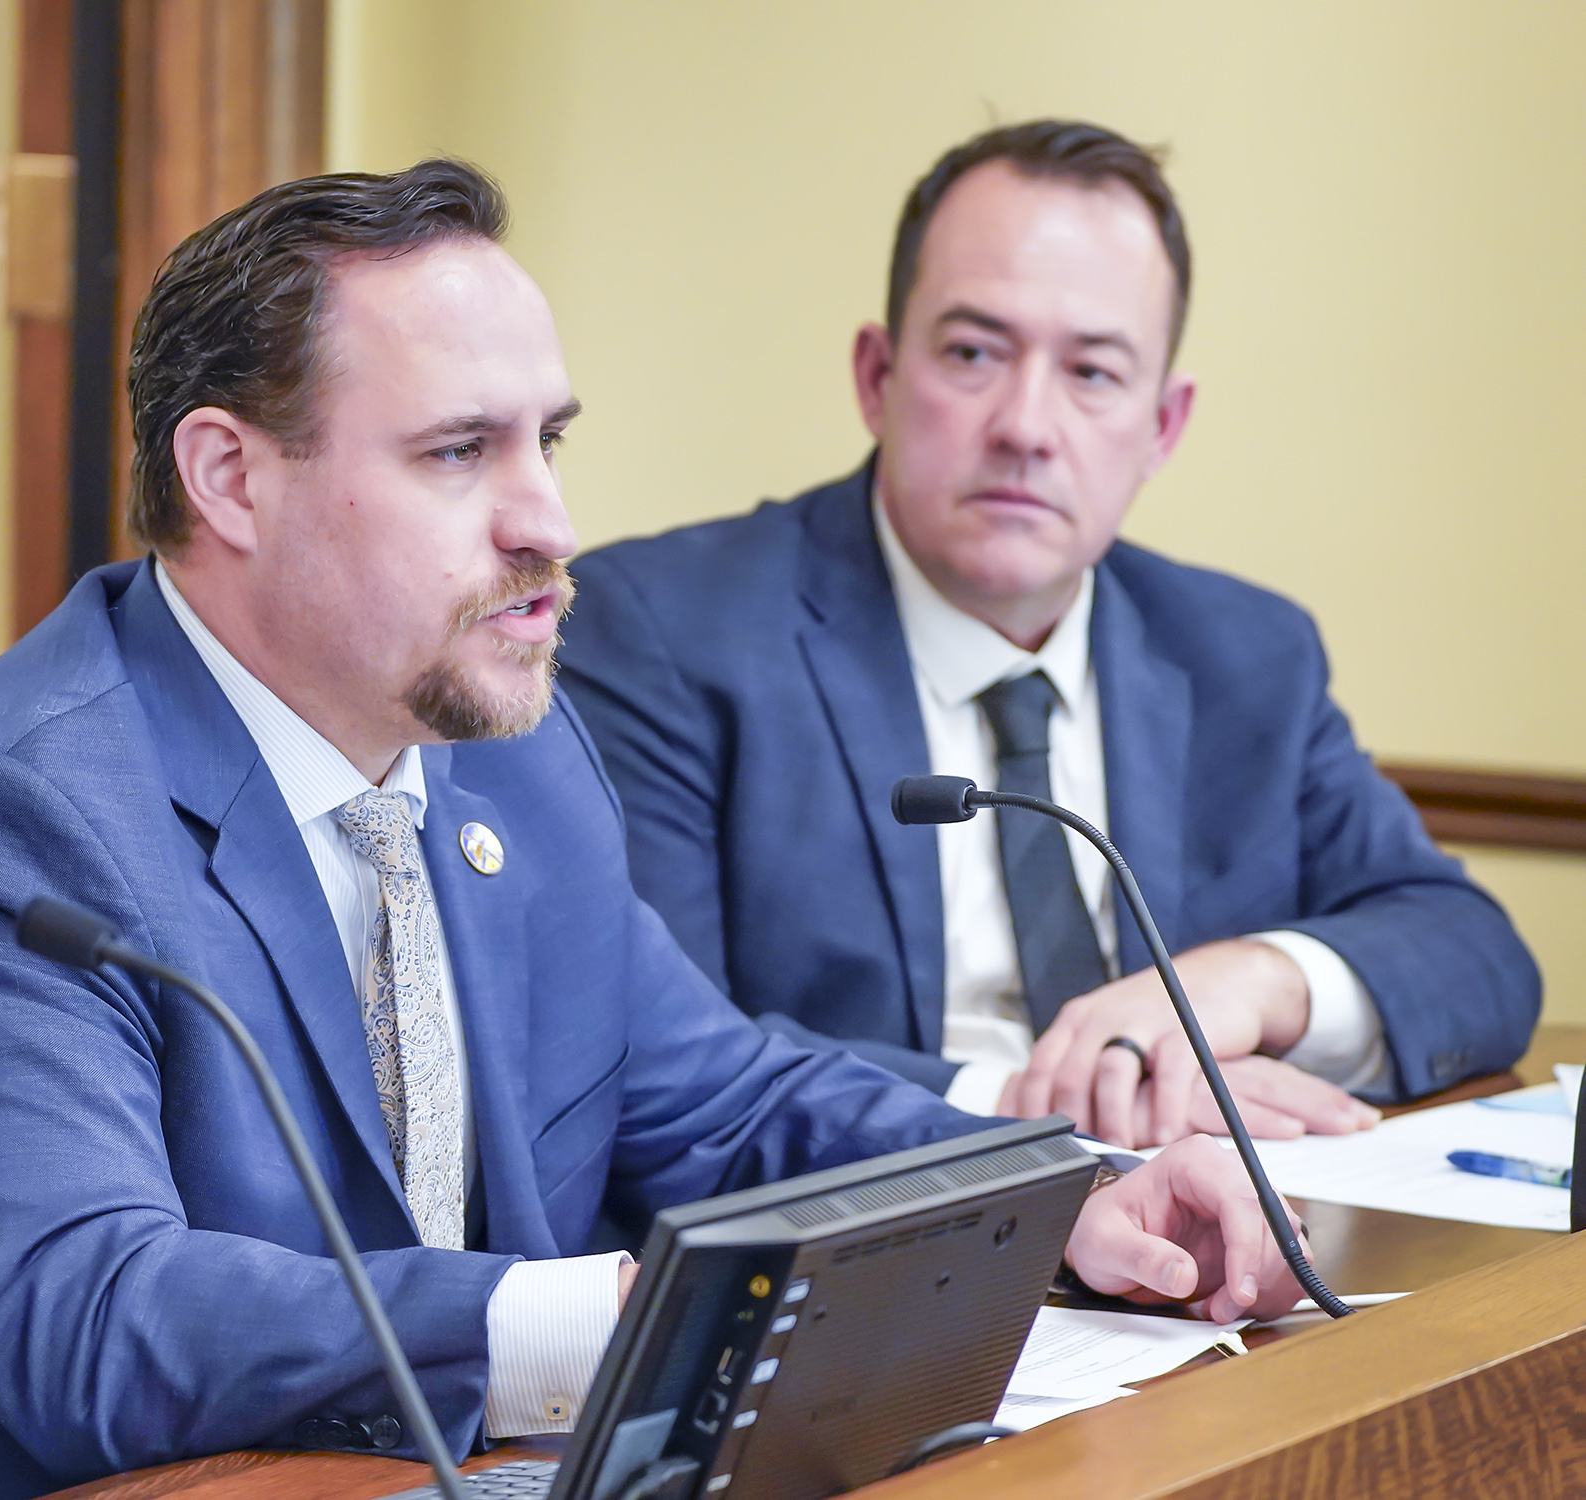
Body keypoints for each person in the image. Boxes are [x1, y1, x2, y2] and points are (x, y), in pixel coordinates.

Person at [0, 160, 1302, 1500]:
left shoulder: (505, 752)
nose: (548, 523)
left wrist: (1060, 1190)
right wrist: (592, 1324)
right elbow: (90, 1320)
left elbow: (722, 1105)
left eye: (550, 442)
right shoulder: (2, 827)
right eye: (459, 454)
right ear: (230, 478)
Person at [557, 121, 1539, 1153]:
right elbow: (655, 1054)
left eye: (1094, 373)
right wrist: (1046, 1103)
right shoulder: (663, 634)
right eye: (975, 353)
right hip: (875, 1262)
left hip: (1209, 1259)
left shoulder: (1246, 654)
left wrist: (1247, 982)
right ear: (877, 378)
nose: (1027, 425)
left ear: (1163, 426)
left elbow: (1476, 956)